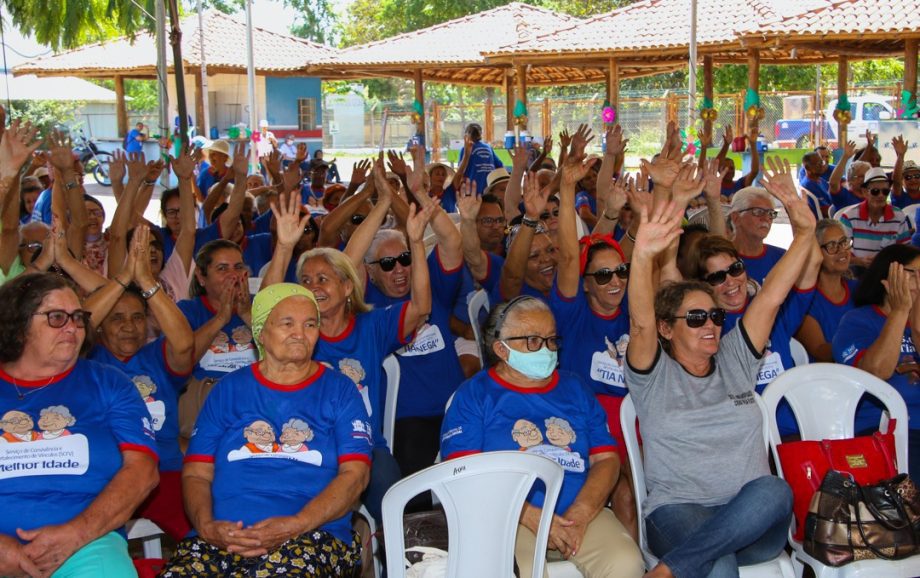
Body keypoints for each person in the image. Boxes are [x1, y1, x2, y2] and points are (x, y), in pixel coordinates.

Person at [627, 164, 811, 577]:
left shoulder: (734, 356)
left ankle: (670, 568)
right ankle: (682, 563)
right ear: (666, 328)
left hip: (752, 519)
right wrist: (642, 255)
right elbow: (639, 321)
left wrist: (804, 232)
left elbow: (771, 297)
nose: (709, 325)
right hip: (677, 512)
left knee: (774, 489)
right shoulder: (653, 374)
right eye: (694, 319)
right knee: (718, 562)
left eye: (713, 316)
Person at [159, 284, 371, 576]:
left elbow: (356, 476)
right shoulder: (228, 390)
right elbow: (196, 472)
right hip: (223, 539)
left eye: (310, 323)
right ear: (260, 332)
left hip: (311, 536)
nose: (300, 333)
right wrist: (207, 527)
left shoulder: (340, 391)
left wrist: (296, 523)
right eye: (287, 323)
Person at [260, 174, 433, 523]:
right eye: (305, 280)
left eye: (323, 279)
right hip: (303, 445)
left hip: (364, 448)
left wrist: (415, 241)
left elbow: (421, 308)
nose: (313, 287)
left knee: (396, 504)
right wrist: (283, 247)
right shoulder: (297, 333)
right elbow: (264, 310)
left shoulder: (372, 326)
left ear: (346, 286)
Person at [440, 296, 644, 578]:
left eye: (551, 340)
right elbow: (464, 475)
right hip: (508, 517)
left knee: (626, 562)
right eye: (533, 341)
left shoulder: (575, 388)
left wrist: (581, 513)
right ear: (501, 348)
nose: (547, 350)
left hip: (578, 513)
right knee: (522, 572)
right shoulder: (473, 396)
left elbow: (606, 460)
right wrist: (535, 518)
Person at [0, 273, 158, 577]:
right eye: (57, 317)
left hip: (87, 543)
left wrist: (76, 534)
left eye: (78, 317)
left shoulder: (109, 382)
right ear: (18, 325)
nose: (72, 327)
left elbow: (143, 471)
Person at [88, 226, 194, 541]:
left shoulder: (156, 356)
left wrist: (146, 281)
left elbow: (185, 344)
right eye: (117, 318)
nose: (129, 327)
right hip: (105, 477)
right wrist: (122, 277)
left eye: (137, 317)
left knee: (202, 541)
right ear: (102, 326)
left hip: (165, 474)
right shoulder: (85, 361)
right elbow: (80, 324)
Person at [832, 244, 920, 482]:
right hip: (882, 432)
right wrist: (900, 312)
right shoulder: (858, 320)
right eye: (913, 273)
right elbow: (875, 372)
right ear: (887, 280)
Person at [795, 219, 856, 362]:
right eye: (832, 246)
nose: (842, 250)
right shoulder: (805, 299)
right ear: (815, 252)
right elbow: (820, 350)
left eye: (843, 242)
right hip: (825, 377)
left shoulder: (858, 289)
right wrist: (862, 350)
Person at [838, 166, 913, 271]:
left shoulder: (898, 216)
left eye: (885, 191)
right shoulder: (849, 217)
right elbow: (840, 253)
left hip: (887, 270)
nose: (881, 195)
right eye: (875, 191)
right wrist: (859, 261)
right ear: (865, 192)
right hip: (856, 271)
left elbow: (904, 250)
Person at [727, 187, 786, 285]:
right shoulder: (721, 259)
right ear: (736, 218)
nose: (766, 218)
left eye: (771, 213)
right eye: (758, 212)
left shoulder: (782, 258)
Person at [458, 123, 504, 195]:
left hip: (473, 188)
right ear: (480, 135)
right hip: (490, 187)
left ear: (466, 136)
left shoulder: (465, 149)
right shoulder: (488, 147)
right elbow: (500, 165)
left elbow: (460, 170)